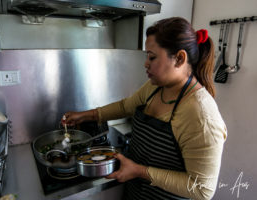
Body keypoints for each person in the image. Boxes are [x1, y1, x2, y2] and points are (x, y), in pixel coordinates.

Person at [63, 17, 227, 200]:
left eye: (152, 57)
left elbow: (202, 189)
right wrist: (86, 116)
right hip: (136, 194)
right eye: (146, 56)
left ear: (180, 58)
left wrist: (139, 171)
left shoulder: (201, 115)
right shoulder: (156, 87)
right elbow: (126, 106)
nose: (145, 63)